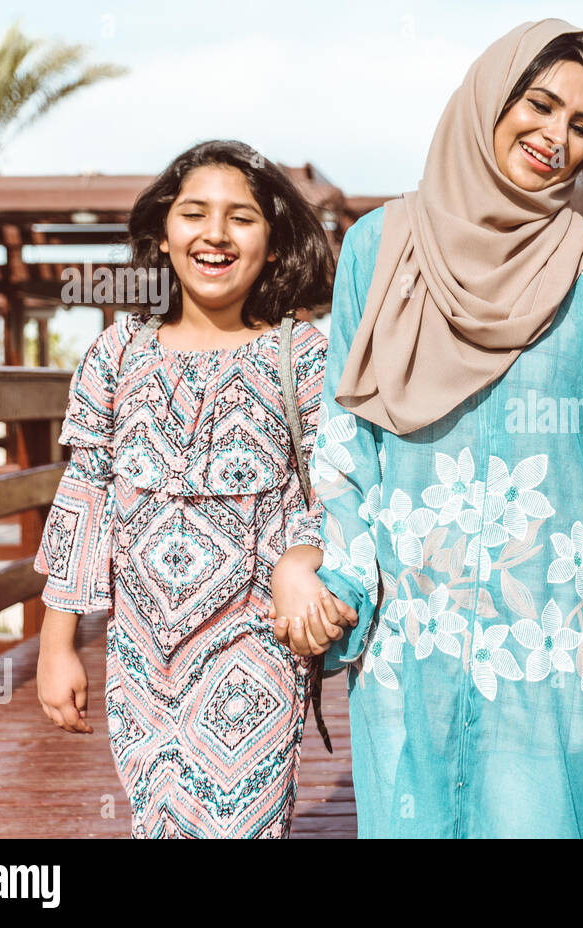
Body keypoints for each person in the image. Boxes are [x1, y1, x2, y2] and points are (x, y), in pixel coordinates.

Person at [269, 19, 583, 838]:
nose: (557, 136)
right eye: (542, 104)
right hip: (412, 631)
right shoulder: (380, 249)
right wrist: (339, 582)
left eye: (582, 126)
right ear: (491, 97)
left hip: (553, 636)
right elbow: (347, 442)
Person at [33, 140, 352, 837]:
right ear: (164, 235)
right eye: (195, 214)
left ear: (272, 243)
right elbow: (84, 498)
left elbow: (335, 490)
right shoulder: (115, 354)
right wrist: (56, 646)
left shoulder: (303, 357)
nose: (215, 233)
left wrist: (304, 560)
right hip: (140, 663)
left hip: (255, 648)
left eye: (241, 218)